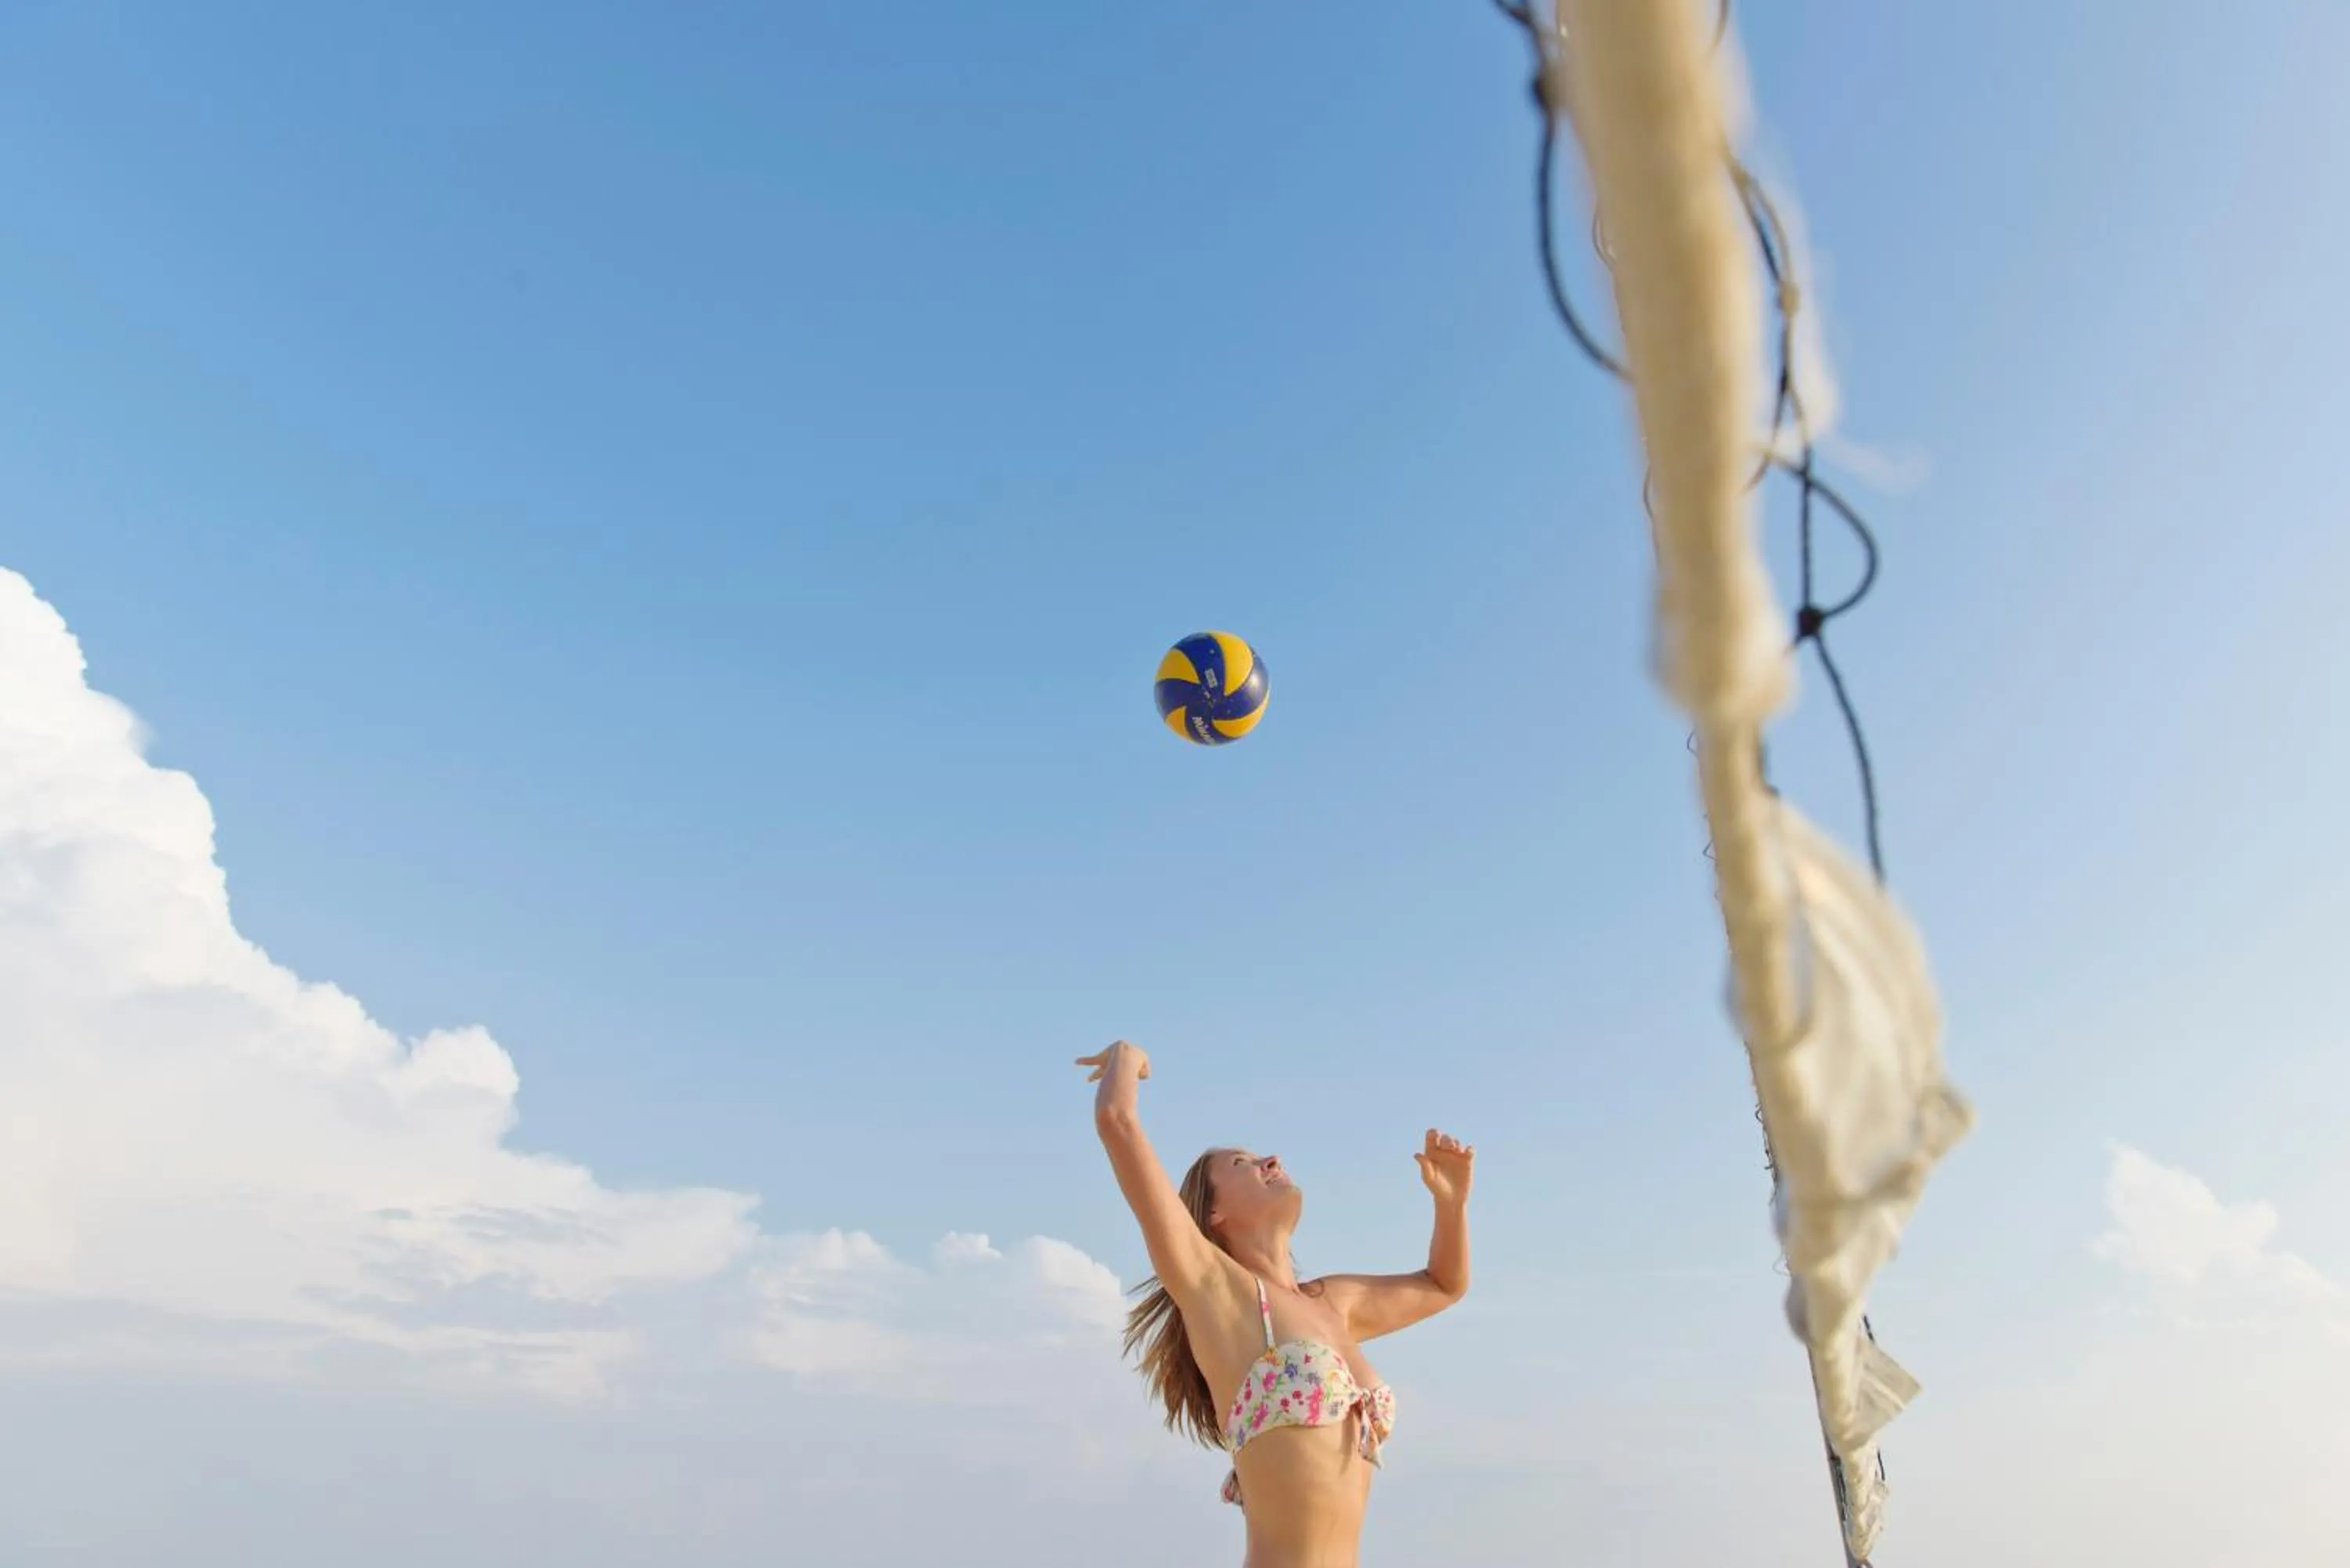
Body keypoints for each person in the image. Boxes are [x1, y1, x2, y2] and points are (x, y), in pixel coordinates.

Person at [1077, 1039, 1473, 1568]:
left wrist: (1451, 1205)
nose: (1271, 1160)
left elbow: (1444, 1284)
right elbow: (1116, 1119)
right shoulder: (1217, 1290)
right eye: (1242, 1162)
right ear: (1212, 1215)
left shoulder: (1336, 1303)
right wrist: (1127, 1057)